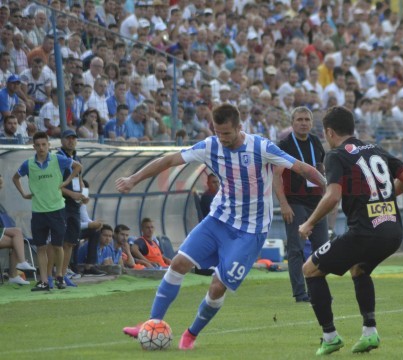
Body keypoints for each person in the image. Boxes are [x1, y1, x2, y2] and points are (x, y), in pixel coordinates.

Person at [118, 103, 326, 350]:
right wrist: (133, 179)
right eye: (218, 132)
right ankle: (152, 323)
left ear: (239, 127)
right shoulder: (210, 145)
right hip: (218, 219)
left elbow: (302, 168)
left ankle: (191, 333)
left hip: (250, 231)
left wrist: (329, 189)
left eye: (226, 133)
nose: (222, 138)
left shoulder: (260, 146)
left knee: (217, 286)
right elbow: (170, 160)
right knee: (178, 264)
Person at [298, 106, 403, 355]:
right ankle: (369, 332)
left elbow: (333, 196)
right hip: (393, 231)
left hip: (364, 232)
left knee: (309, 270)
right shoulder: (374, 148)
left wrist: (309, 223)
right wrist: (381, 200)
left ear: (329, 132)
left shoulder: (336, 155)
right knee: (359, 269)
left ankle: (329, 336)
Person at [12, 131, 82, 291]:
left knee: (58, 246)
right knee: (41, 247)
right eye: (38, 145)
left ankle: (60, 277)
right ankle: (44, 281)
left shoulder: (58, 159)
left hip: (57, 210)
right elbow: (15, 177)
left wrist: (67, 181)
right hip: (38, 211)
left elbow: (78, 166)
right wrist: (23, 193)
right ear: (34, 146)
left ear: (49, 145)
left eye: (44, 144)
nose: (41, 147)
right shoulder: (28, 164)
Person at [273, 106, 328, 303]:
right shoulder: (285, 144)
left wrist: (326, 196)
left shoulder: (316, 142)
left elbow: (321, 170)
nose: (303, 123)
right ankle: (299, 292)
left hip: (316, 202)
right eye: (299, 119)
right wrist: (284, 204)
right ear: (292, 122)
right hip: (295, 202)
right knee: (296, 248)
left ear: (312, 123)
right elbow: (277, 176)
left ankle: (318, 290)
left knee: (321, 247)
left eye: (307, 119)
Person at [57, 129, 86, 287]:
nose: (71, 141)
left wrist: (83, 194)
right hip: (60, 203)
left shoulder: (77, 157)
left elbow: (80, 180)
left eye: (73, 138)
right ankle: (54, 275)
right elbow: (53, 186)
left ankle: (63, 273)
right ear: (62, 140)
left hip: (74, 205)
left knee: (70, 242)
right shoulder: (57, 158)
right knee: (58, 242)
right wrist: (71, 194)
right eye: (68, 138)